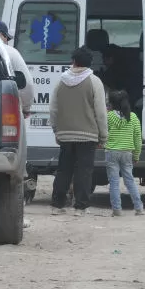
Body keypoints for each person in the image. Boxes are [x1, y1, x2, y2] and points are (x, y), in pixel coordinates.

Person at [50, 46, 108, 216]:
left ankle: (57, 205)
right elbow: (101, 112)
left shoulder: (61, 81)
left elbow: (53, 109)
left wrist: (56, 130)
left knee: (63, 170)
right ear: (90, 64)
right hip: (88, 135)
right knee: (84, 171)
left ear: (73, 61)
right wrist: (103, 136)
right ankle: (80, 207)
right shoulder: (94, 82)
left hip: (65, 134)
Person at [105, 90, 145, 217]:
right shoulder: (133, 117)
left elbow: (104, 133)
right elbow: (138, 138)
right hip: (127, 152)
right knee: (130, 181)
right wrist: (136, 155)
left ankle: (117, 210)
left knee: (114, 182)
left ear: (111, 104)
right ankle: (139, 208)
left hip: (111, 152)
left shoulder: (109, 116)